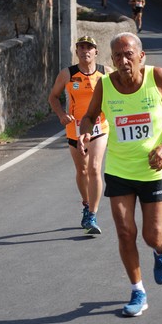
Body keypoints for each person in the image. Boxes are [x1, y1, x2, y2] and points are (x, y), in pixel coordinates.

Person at [78, 33, 162, 317]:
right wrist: (86, 131)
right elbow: (89, 116)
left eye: (128, 54)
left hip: (154, 170)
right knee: (125, 232)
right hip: (119, 170)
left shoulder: (158, 78)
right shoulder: (105, 84)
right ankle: (138, 290)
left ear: (141, 56)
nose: (123, 60)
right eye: (117, 56)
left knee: (152, 236)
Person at [48, 36, 113, 235]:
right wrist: (61, 114)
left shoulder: (106, 73)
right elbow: (53, 97)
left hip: (99, 126)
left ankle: (92, 214)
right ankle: (86, 203)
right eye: (81, 47)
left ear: (96, 52)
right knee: (82, 170)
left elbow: (120, 93)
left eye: (90, 47)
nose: (86, 51)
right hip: (75, 128)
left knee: (94, 168)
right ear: (76, 52)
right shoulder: (67, 74)